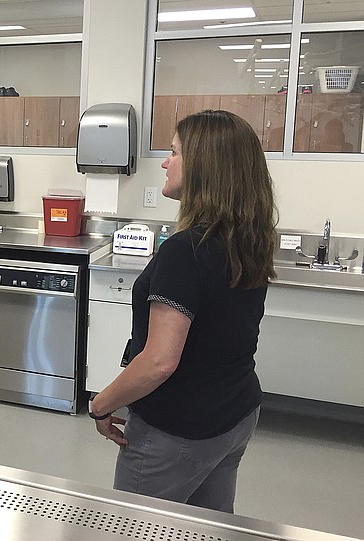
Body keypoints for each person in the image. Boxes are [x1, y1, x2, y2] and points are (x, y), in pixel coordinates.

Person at [89, 109, 277, 513]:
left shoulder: (185, 250)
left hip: (178, 429)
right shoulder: (248, 239)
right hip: (235, 413)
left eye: (174, 153)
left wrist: (101, 403)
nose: (164, 162)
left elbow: (159, 362)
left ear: (204, 168)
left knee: (135, 527)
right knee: (206, 526)